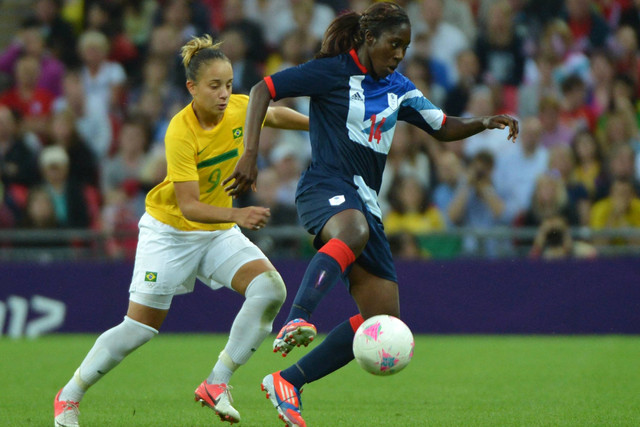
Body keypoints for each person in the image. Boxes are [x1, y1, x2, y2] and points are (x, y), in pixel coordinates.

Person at [224, 3, 518, 425]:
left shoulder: (399, 87)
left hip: (366, 201)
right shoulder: (331, 71)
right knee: (353, 228)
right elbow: (261, 89)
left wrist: (484, 121)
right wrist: (250, 154)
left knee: (382, 316)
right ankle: (298, 318)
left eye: (406, 46)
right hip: (325, 185)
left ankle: (289, 381)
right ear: (369, 39)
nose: (399, 53)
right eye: (393, 44)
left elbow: (442, 125)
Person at [53, 34, 309, 427]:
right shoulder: (180, 131)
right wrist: (238, 217)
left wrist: (315, 125)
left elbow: (271, 114)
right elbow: (188, 205)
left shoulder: (238, 109)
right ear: (192, 87)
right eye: (214, 86)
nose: (225, 94)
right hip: (170, 232)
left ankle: (216, 382)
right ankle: (69, 396)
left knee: (270, 289)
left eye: (228, 84)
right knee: (138, 329)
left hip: (215, 231)